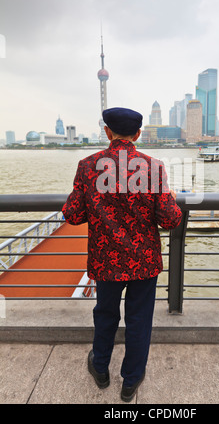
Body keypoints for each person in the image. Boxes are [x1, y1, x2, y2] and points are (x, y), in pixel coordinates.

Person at [62, 107, 182, 402]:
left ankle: (100, 368)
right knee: (139, 320)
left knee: (105, 315)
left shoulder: (88, 166)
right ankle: (130, 381)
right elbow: (168, 220)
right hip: (144, 261)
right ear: (138, 135)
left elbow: (73, 215)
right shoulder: (153, 167)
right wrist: (172, 200)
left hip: (106, 261)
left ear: (107, 132)